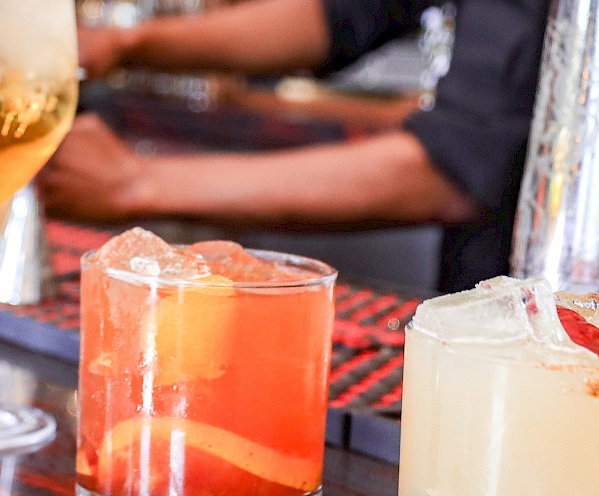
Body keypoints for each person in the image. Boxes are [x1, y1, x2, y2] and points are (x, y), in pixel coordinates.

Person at [37, 0, 549, 293]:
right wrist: (125, 44)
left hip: (562, 322)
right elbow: (342, 15)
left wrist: (137, 181)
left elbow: (465, 163)